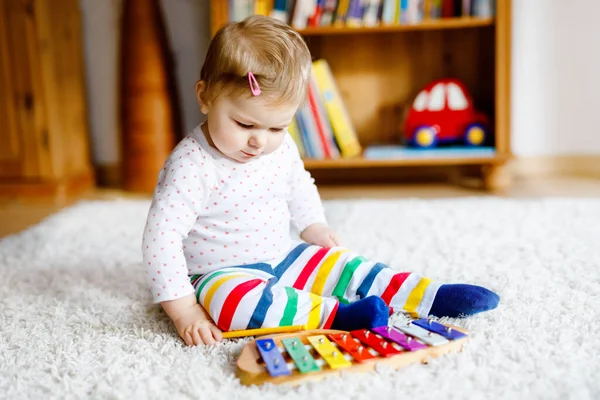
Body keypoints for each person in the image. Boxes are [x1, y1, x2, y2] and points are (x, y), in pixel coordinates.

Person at [141, 15, 499, 346]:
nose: (259, 141)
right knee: (233, 307)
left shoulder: (278, 149)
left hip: (282, 254)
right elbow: (161, 238)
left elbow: (298, 184)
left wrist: (313, 226)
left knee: (347, 265)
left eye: (277, 127)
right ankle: (336, 316)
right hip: (219, 272)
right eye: (245, 124)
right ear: (204, 96)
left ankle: (427, 295)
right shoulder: (192, 165)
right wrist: (184, 308)